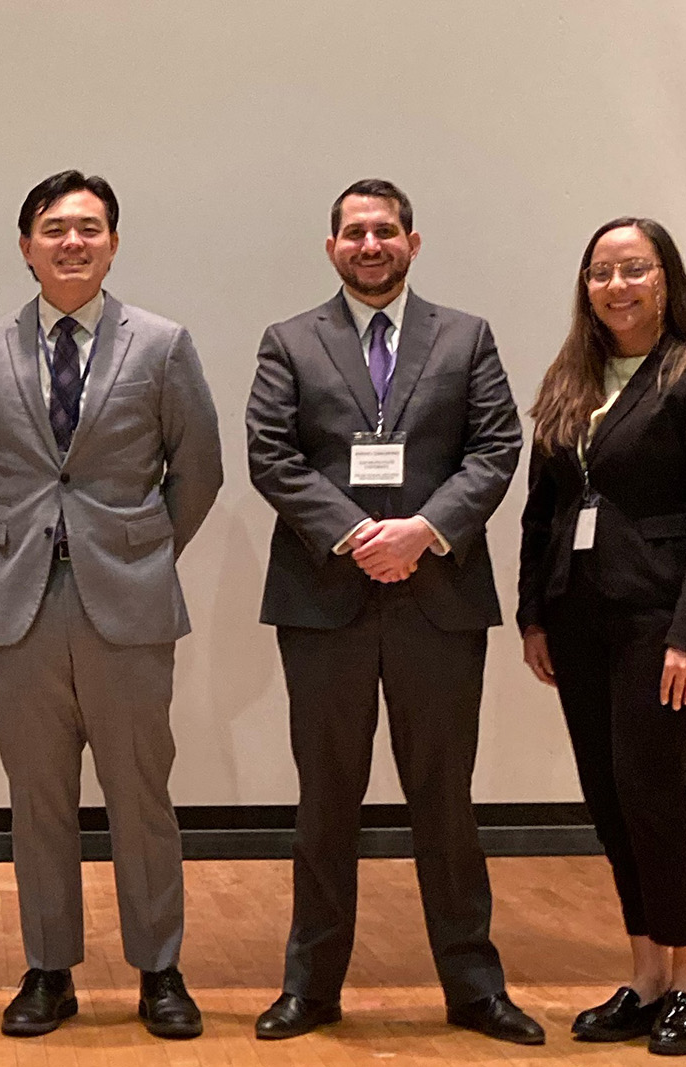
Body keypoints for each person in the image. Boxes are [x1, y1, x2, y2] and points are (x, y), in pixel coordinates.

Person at [246, 179, 541, 1044]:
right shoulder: (289, 342)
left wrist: (423, 531)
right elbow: (271, 454)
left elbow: (496, 448)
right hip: (324, 600)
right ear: (330, 246)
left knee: (445, 799)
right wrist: (354, 535)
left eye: (384, 231)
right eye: (353, 233)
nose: (369, 245)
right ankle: (312, 986)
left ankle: (474, 988)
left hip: (437, 601)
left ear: (414, 241)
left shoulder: (466, 337)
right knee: (324, 801)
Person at [0, 170, 223, 1039]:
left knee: (142, 794)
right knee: (39, 797)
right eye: (55, 228)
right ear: (25, 246)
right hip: (23, 603)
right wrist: (16, 540)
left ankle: (161, 971)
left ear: (113, 243)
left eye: (90, 228)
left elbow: (200, 469)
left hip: (129, 603)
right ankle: (48, 969)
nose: (73, 242)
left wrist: (140, 547)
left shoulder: (163, 345)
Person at [518, 217, 686, 1055]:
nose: (616, 285)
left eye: (633, 269)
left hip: (664, 624)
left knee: (654, 792)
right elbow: (542, 510)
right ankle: (648, 975)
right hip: (579, 621)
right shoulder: (571, 379)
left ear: (664, 279)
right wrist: (532, 613)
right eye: (600, 272)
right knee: (611, 799)